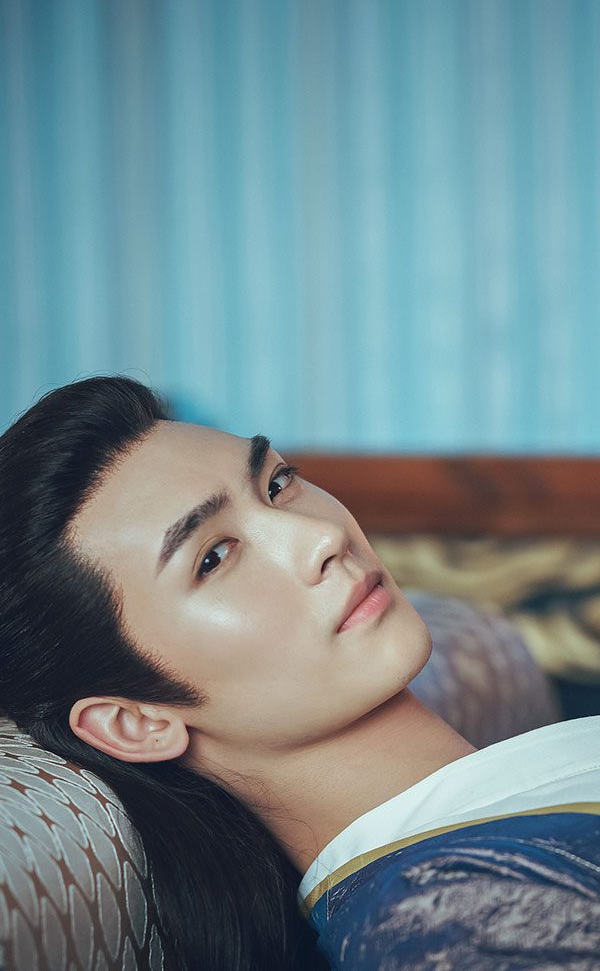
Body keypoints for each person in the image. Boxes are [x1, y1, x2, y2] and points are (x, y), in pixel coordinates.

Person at [0, 375, 598, 971]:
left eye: (277, 485)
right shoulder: (455, 920)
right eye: (213, 557)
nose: (323, 536)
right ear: (135, 722)